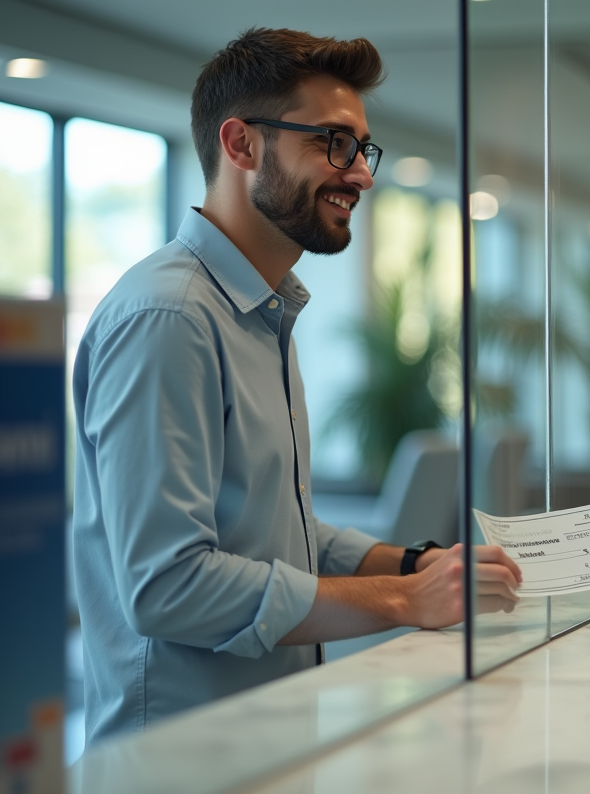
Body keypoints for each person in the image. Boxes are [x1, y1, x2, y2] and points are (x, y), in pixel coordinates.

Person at [72, 28, 521, 745]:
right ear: (242, 145)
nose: (362, 174)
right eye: (333, 143)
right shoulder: (170, 317)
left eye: (361, 148)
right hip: (178, 765)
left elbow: (280, 531)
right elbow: (166, 587)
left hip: (267, 739)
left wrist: (418, 563)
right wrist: (405, 598)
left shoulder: (264, 309)